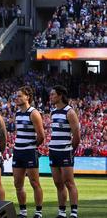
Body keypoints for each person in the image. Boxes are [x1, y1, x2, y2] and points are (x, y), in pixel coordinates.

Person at [12, 86, 45, 218]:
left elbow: (41, 135)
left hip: (29, 151)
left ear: (27, 97)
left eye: (20, 96)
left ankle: (38, 212)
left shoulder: (34, 113)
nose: (17, 98)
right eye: (17, 96)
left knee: (34, 182)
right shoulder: (18, 113)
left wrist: (31, 146)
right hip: (18, 151)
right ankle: (23, 212)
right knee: (18, 184)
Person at [49, 85, 80, 218]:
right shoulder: (53, 112)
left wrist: (71, 149)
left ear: (60, 95)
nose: (50, 97)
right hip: (53, 150)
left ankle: (73, 212)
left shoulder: (70, 112)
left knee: (69, 182)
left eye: (53, 94)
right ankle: (61, 211)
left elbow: (76, 135)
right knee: (58, 183)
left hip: (65, 151)